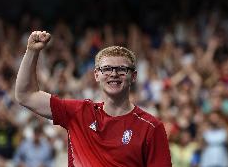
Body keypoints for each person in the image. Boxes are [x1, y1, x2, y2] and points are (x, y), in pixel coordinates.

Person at [15, 31, 172, 167]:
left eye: (122, 69)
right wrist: (31, 51)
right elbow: (25, 95)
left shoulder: (151, 127)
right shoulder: (78, 113)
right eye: (107, 68)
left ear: (134, 76)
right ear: (96, 75)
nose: (114, 74)